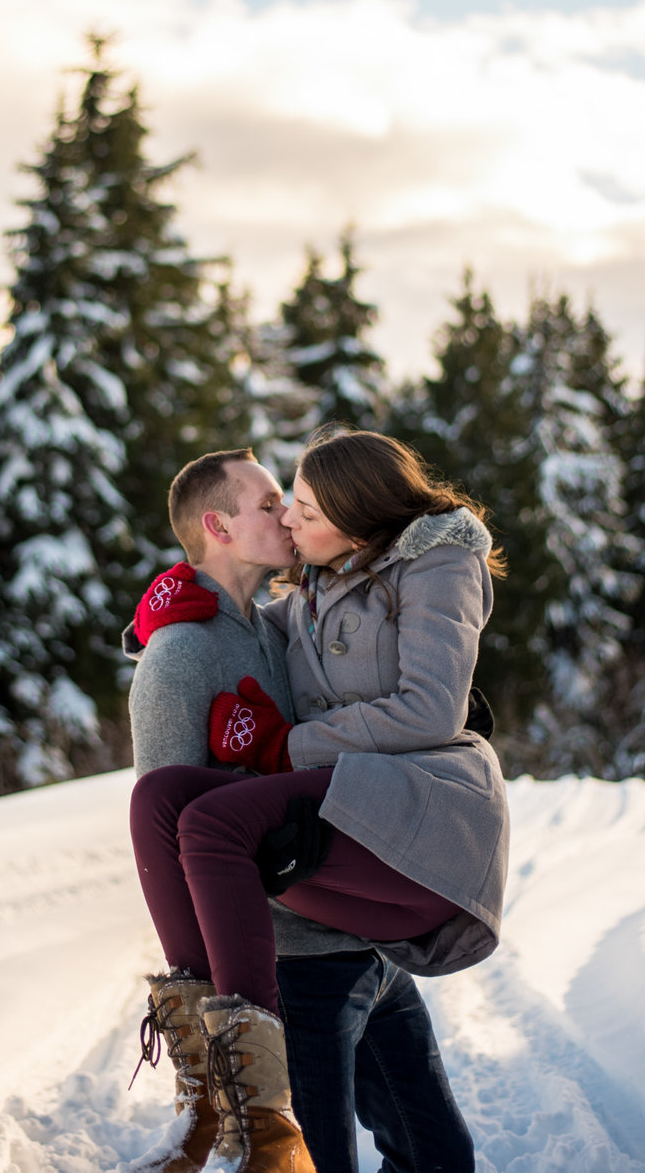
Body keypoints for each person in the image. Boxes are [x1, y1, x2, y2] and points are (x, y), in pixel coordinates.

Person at [129, 431, 510, 1173]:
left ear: (351, 513)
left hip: (368, 925)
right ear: (220, 527)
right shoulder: (193, 649)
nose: (288, 520)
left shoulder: (302, 602)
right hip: (298, 956)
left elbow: (413, 692)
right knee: (315, 1158)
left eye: (297, 505)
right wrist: (162, 613)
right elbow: (171, 828)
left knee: (436, 1153)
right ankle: (218, 1083)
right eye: (274, 505)